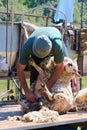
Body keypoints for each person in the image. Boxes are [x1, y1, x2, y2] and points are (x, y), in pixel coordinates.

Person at [17, 26, 65, 102]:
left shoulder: (57, 45)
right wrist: (27, 91)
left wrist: (48, 86)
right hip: (36, 49)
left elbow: (60, 67)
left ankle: (62, 100)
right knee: (35, 73)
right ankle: (34, 98)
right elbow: (20, 69)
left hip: (53, 40)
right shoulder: (27, 47)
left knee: (64, 73)